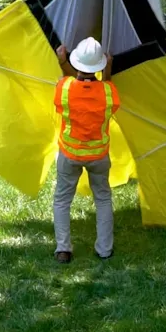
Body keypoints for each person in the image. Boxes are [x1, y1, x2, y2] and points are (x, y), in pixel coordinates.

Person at [52, 37, 120, 264]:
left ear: (76, 62)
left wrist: (62, 61)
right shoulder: (109, 92)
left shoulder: (64, 88)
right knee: (103, 199)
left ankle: (63, 249)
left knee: (62, 200)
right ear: (100, 65)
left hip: (70, 154)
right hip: (99, 156)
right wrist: (108, 67)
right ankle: (104, 250)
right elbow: (105, 86)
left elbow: (70, 79)